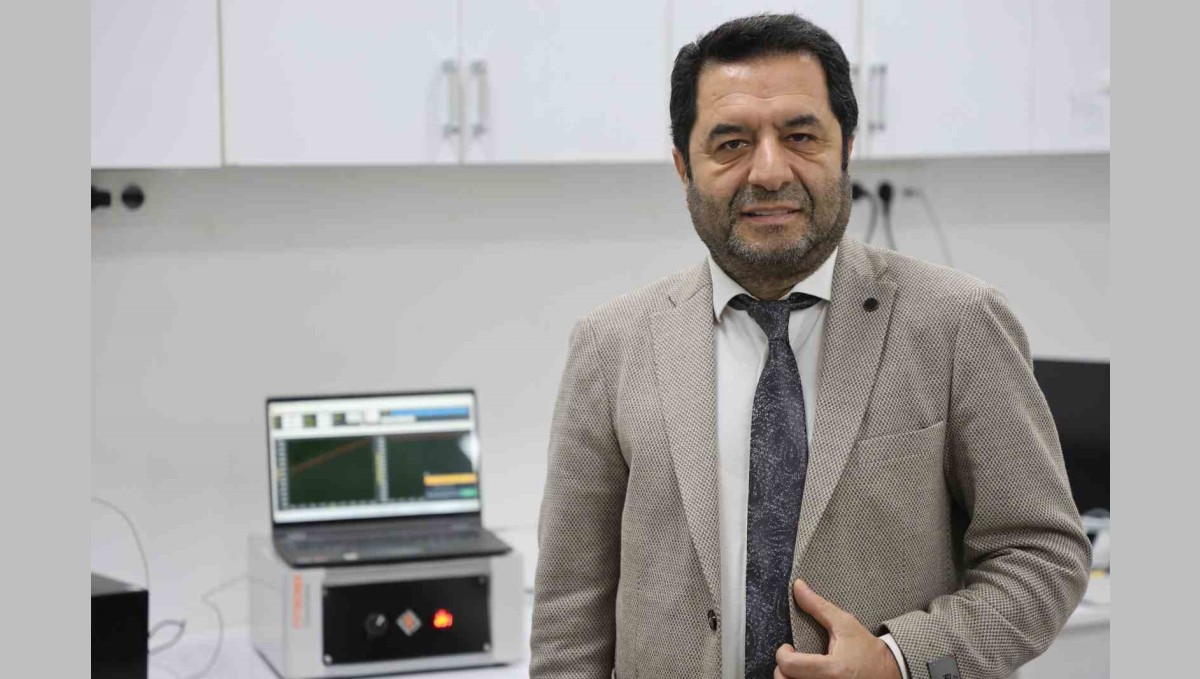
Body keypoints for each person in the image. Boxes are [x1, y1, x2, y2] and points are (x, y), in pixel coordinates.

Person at [530, 13, 1091, 679]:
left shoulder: (958, 322)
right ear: (684, 166)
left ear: (845, 148)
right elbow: (570, 613)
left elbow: (1043, 554)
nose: (769, 171)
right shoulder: (611, 346)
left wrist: (900, 660)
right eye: (731, 143)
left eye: (800, 136)